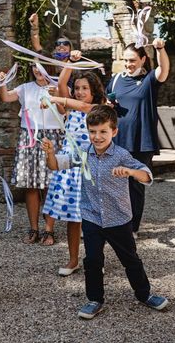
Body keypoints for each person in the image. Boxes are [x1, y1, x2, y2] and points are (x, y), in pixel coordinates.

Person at [43, 105, 168, 320]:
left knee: (130, 259)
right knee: (92, 260)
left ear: (114, 132)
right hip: (92, 217)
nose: (97, 136)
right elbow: (55, 165)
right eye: (93, 131)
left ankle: (144, 294)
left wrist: (129, 171)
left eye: (103, 131)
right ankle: (95, 299)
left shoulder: (121, 155)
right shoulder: (82, 154)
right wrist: (49, 153)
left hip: (119, 219)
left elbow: (146, 176)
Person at [42, 63, 106, 275]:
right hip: (69, 169)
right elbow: (61, 83)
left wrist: (55, 99)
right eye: (77, 88)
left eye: (84, 88)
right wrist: (69, 63)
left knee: (95, 218)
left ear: (94, 91)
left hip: (90, 168)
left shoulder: (98, 109)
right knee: (73, 218)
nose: (79, 92)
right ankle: (73, 260)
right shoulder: (69, 108)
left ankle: (96, 260)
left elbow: (83, 107)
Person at [106, 40, 169, 236]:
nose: (128, 64)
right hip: (117, 140)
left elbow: (163, 69)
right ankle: (114, 221)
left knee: (135, 185)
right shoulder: (115, 79)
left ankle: (132, 227)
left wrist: (160, 49)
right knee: (114, 182)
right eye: (125, 60)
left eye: (132, 60)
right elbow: (107, 102)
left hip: (142, 141)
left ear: (142, 59)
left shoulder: (150, 79)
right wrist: (108, 104)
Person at [0, 61, 65, 244]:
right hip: (29, 138)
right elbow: (5, 98)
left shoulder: (58, 86)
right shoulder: (26, 88)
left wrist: (57, 95)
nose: (37, 70)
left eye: (41, 66)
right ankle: (33, 229)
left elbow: (64, 111)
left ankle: (49, 230)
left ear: (49, 67)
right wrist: (2, 83)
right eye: (34, 66)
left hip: (53, 137)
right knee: (31, 185)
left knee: (52, 184)